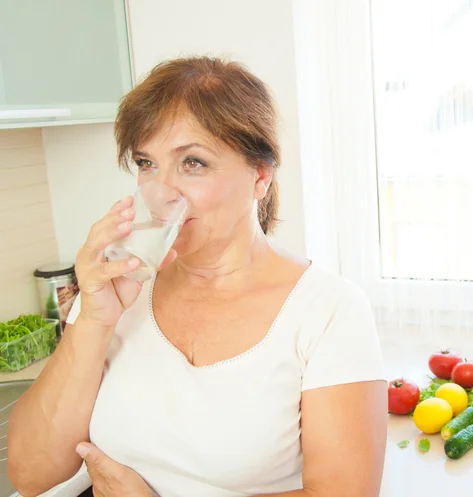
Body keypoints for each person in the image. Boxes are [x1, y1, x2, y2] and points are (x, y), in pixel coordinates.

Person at [7, 56, 387, 497]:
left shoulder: (329, 310)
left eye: (193, 163)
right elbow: (31, 474)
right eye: (146, 163)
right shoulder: (119, 288)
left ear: (260, 176)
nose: (160, 192)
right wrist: (92, 320)